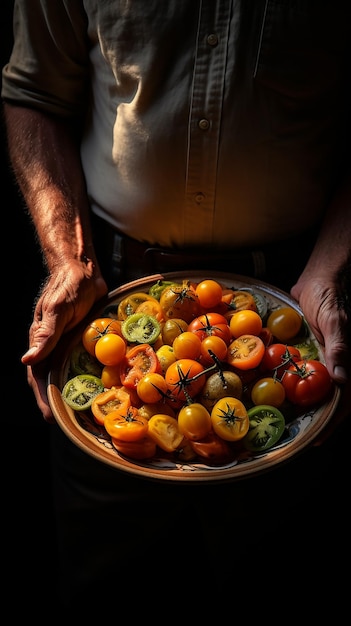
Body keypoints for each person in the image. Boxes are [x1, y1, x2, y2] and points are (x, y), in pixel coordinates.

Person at [2, 1, 350, 617]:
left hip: (295, 302)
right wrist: (68, 260)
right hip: (107, 297)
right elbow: (34, 92)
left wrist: (333, 266)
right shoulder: (140, 360)